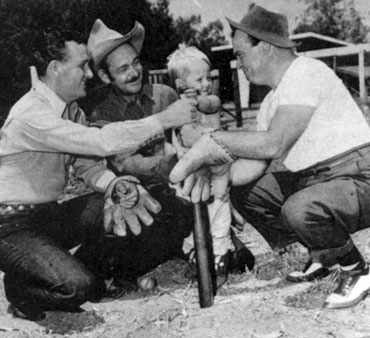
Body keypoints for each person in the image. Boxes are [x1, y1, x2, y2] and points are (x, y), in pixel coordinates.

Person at [170, 3, 370, 309]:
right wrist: (216, 175)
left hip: (362, 176)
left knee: (300, 208)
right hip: (321, 182)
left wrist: (213, 141)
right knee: (248, 190)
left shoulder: (306, 71)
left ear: (264, 47)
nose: (238, 64)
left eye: (241, 54)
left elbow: (273, 144)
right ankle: (324, 254)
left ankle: (357, 270)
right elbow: (254, 163)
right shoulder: (270, 100)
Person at [0, 28, 197, 321]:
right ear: (55, 69)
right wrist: (164, 119)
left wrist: (114, 185)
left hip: (47, 217)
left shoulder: (71, 110)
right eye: (81, 65)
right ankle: (21, 288)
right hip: (11, 227)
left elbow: (87, 164)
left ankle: (55, 269)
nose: (89, 74)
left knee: (107, 206)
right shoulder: (31, 113)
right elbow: (100, 142)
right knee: (77, 288)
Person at [87, 19, 209, 285]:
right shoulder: (102, 115)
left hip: (175, 192)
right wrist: (179, 162)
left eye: (136, 63)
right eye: (123, 69)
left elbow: (192, 135)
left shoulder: (164, 94)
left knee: (192, 202)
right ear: (106, 77)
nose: (134, 72)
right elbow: (126, 165)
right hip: (135, 197)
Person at [166, 44, 256, 287]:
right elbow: (187, 137)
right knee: (195, 217)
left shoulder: (206, 102)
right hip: (191, 174)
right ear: (180, 85)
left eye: (209, 77)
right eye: (200, 79)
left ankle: (219, 252)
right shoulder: (179, 108)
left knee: (218, 208)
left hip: (214, 170)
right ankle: (198, 253)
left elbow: (212, 107)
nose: (207, 83)